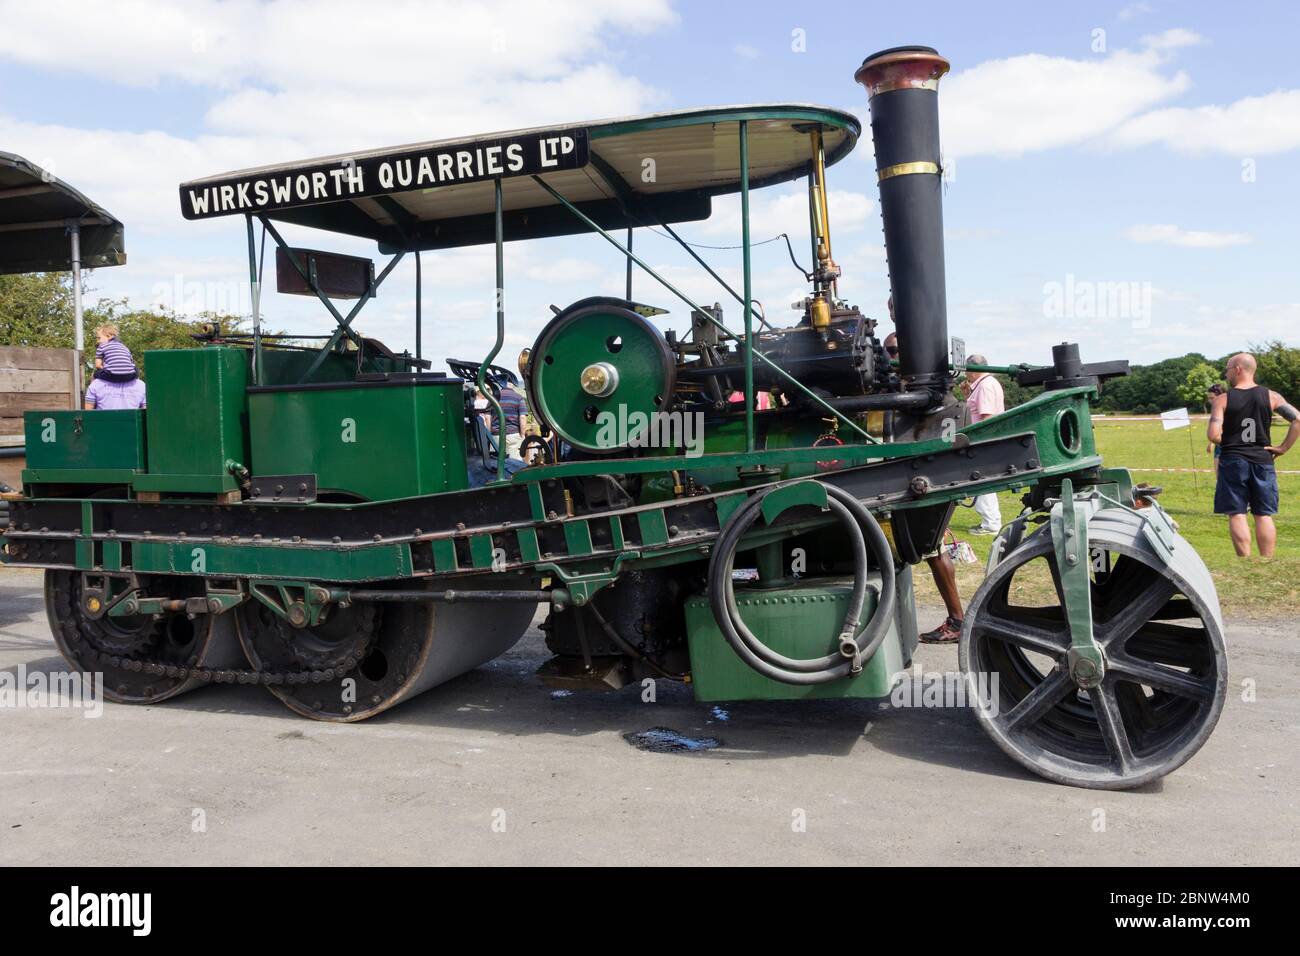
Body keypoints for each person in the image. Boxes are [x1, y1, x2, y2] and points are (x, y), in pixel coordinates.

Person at [881, 329, 965, 643]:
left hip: (927, 477)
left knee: (933, 546)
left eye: (893, 352)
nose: (889, 358)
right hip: (924, 474)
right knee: (931, 547)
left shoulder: (928, 393)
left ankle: (957, 621)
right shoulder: (924, 390)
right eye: (887, 352)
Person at [1207, 353, 1299, 557]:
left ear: (1238, 369)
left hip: (1233, 461)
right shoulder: (1272, 396)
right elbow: (1297, 419)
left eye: (1228, 369)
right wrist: (1283, 448)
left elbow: (1213, 435)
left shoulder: (1222, 399)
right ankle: (1266, 560)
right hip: (1262, 460)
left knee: (1237, 513)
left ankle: (1245, 560)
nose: (1226, 373)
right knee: (1263, 514)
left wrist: (1233, 439)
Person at [962, 354, 1005, 534]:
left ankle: (990, 524)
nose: (966, 374)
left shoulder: (985, 386)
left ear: (973, 370)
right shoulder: (988, 383)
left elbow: (985, 418)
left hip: (983, 441)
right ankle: (990, 522)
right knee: (983, 483)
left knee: (982, 482)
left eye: (967, 370)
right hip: (987, 441)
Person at [490, 382, 527, 459]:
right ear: (512, 385)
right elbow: (522, 417)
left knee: (496, 461)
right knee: (515, 463)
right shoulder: (519, 398)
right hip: (513, 435)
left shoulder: (493, 397)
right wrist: (522, 435)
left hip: (496, 435)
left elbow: (487, 416)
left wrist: (490, 433)